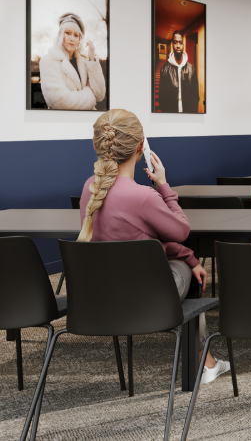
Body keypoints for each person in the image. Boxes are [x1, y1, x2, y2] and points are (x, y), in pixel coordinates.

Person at [77, 109, 230, 384]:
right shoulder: (142, 196)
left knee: (186, 261)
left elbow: (138, 243)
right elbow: (181, 231)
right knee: (190, 271)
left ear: (97, 146)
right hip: (145, 294)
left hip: (101, 292)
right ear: (140, 148)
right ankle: (204, 363)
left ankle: (206, 361)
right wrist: (163, 185)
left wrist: (187, 256)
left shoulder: (90, 188)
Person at [39, 13, 105, 110]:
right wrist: (89, 94)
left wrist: (92, 60)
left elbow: (100, 95)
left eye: (76, 35)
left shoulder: (85, 61)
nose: (72, 39)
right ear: (60, 34)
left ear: (79, 39)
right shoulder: (48, 61)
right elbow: (59, 102)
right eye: (68, 33)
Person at [156, 32, 201, 114]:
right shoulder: (165, 69)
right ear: (173, 44)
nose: (178, 46)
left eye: (180, 42)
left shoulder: (191, 69)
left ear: (183, 45)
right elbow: (162, 97)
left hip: (188, 113)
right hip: (171, 113)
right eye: (175, 42)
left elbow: (195, 96)